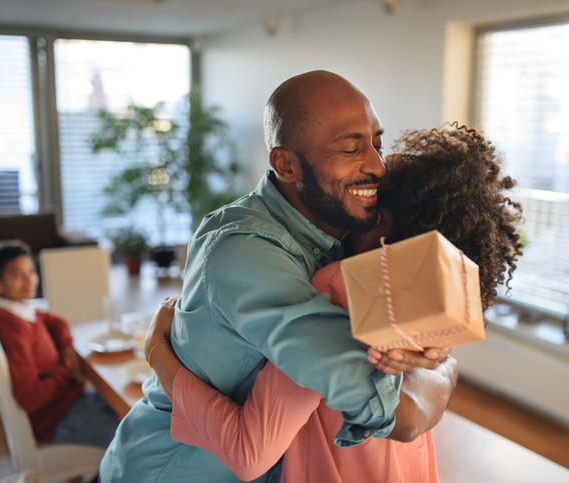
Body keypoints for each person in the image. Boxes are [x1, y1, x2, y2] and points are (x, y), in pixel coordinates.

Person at [100, 71, 454, 482]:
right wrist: (441, 369)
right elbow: (397, 411)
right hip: (172, 470)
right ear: (286, 164)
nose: (377, 165)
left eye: (377, 142)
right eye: (351, 147)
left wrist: (441, 364)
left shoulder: (342, 234)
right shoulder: (245, 249)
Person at [145, 125, 524, 482]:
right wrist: (443, 368)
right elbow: (416, 406)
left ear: (382, 222)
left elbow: (250, 451)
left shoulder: (338, 288)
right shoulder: (417, 304)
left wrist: (156, 351)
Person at [0, 239, 120, 447]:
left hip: (71, 401)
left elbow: (54, 320)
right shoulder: (12, 327)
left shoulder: (12, 308)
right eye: (18, 274)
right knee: (140, 442)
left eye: (32, 271)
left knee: (137, 414)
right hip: (58, 418)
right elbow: (29, 397)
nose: (30, 280)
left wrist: (66, 346)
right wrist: (67, 370)